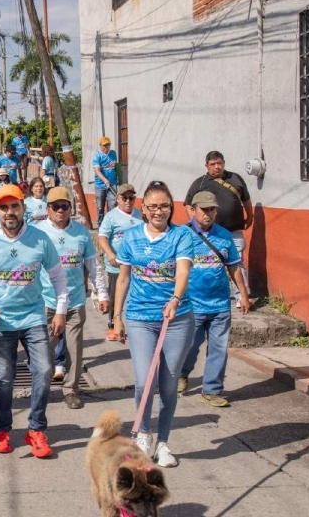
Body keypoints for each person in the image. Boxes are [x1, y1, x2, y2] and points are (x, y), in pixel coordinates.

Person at [0, 184, 68, 458]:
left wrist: (60, 310)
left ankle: (36, 429)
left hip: (34, 317)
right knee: (4, 379)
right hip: (2, 323)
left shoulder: (40, 239)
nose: (10, 212)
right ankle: (3, 431)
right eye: (4, 207)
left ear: (24, 207)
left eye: (14, 206)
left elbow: (58, 276)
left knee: (44, 371)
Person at [112, 181, 196, 468]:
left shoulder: (182, 235)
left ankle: (163, 443)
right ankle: (143, 432)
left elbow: (183, 271)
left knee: (169, 383)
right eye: (152, 206)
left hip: (177, 318)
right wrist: (116, 317)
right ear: (143, 209)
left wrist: (175, 298)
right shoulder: (131, 237)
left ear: (171, 208)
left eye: (164, 206)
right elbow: (123, 278)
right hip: (139, 317)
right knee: (144, 378)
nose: (158, 211)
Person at [37, 187, 109, 409]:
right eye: (55, 206)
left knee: (74, 349)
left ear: (71, 208)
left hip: (75, 300)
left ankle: (71, 390)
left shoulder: (81, 233)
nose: (60, 210)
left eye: (64, 206)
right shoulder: (38, 233)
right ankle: (41, 389)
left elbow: (93, 265)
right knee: (43, 349)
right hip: (46, 301)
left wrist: (102, 293)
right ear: (47, 209)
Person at [178, 191, 251, 407]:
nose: (209, 214)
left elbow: (234, 268)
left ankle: (212, 390)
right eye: (204, 209)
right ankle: (182, 373)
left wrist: (243, 295)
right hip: (192, 304)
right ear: (193, 210)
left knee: (219, 348)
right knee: (190, 345)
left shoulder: (224, 235)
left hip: (220, 304)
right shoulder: (182, 234)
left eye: (212, 209)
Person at [184, 150, 254, 308]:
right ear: (206, 166)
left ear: (224, 163)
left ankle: (241, 297)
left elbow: (246, 199)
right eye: (213, 164)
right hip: (208, 233)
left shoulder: (235, 178)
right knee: (208, 264)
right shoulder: (200, 183)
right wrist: (195, 224)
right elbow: (188, 204)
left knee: (237, 263)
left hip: (233, 231)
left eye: (219, 163)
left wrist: (250, 216)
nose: (217, 167)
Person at [98, 184, 144, 341]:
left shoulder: (140, 215)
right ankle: (112, 324)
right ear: (117, 199)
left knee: (134, 296)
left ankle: (135, 325)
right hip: (116, 265)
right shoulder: (111, 217)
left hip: (136, 265)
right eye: (124, 198)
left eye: (131, 198)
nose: (128, 201)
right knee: (115, 295)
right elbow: (102, 237)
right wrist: (110, 253)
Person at [92, 137, 119, 225]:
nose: (106, 147)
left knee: (113, 204)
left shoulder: (113, 154)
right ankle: (101, 225)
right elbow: (97, 170)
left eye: (108, 145)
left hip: (112, 183)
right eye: (104, 145)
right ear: (100, 146)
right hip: (100, 185)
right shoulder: (97, 156)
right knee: (100, 207)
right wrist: (105, 180)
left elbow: (115, 167)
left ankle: (112, 224)